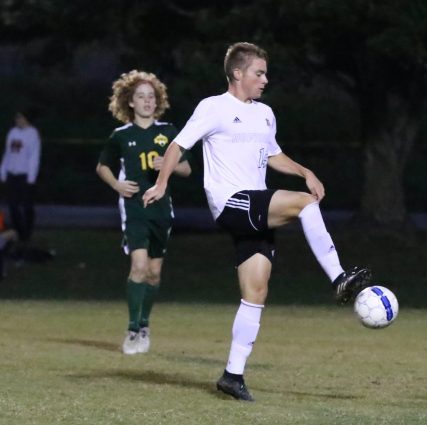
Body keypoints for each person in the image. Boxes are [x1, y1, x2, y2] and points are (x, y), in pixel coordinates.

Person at [142, 42, 372, 402]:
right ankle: (339, 277)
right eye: (258, 73)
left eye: (265, 73)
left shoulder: (265, 113)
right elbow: (177, 146)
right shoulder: (213, 107)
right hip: (233, 202)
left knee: (255, 293)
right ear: (237, 73)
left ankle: (232, 376)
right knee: (304, 205)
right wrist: (161, 182)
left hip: (256, 206)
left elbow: (274, 154)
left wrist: (305, 170)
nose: (265, 79)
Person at [96, 70, 192, 355]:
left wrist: (169, 165)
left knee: (153, 273)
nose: (147, 101)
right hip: (134, 207)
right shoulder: (121, 136)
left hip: (161, 209)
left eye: (151, 96)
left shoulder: (169, 133)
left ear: (157, 101)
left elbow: (186, 168)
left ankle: (146, 324)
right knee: (137, 266)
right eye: (141, 96)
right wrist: (117, 184)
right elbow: (102, 166)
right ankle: (132, 329)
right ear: (130, 102)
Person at [1, 110, 41, 243]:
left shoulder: (32, 134)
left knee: (26, 206)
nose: (18, 120)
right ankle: (17, 232)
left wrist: (31, 177)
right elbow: (8, 153)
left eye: (21, 117)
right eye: (17, 117)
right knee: (12, 205)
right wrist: (3, 170)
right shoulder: (13, 132)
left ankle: (27, 233)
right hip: (12, 174)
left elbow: (33, 157)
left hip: (24, 175)